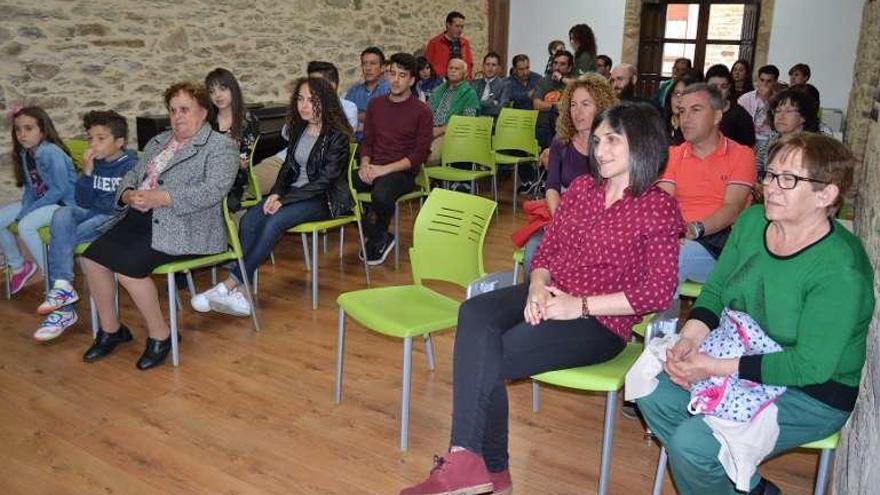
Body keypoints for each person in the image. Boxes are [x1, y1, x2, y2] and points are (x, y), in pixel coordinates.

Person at [399, 101, 685, 495]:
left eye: (613, 141)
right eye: (598, 140)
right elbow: (547, 250)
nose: (600, 150)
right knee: (475, 312)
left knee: (491, 355)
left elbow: (657, 291)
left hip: (600, 321)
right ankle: (473, 463)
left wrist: (576, 306)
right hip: (550, 291)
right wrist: (536, 284)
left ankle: (484, 468)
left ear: (645, 145)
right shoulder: (584, 189)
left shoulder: (658, 208)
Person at [637, 133, 874, 495]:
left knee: (692, 446)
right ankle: (746, 486)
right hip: (740, 353)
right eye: (771, 174)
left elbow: (810, 367)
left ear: (827, 194)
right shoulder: (751, 223)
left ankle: (720, 471)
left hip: (811, 392)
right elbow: (716, 291)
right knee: (651, 393)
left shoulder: (840, 269)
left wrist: (711, 368)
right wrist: (688, 341)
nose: (772, 188)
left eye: (789, 180)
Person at [79, 81, 238, 370]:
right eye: (173, 110)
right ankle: (112, 330)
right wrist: (128, 194)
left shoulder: (220, 146)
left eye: (185, 109)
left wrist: (162, 197)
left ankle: (161, 335)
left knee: (128, 268)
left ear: (203, 111)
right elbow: (132, 173)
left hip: (188, 225)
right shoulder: (157, 142)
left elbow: (213, 190)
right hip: (141, 217)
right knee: (92, 259)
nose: (177, 116)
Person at [191, 77, 352, 316]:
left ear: (325, 102)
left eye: (311, 100)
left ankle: (230, 284)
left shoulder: (337, 136)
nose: (304, 106)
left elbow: (324, 182)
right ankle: (243, 294)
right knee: (250, 219)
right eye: (300, 99)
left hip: (324, 199)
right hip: (293, 194)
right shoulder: (300, 128)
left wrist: (283, 200)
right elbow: (287, 168)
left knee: (275, 221)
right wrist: (276, 193)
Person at [34, 110, 137, 341]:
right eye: (90, 138)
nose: (94, 144)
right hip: (92, 212)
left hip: (116, 217)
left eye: (101, 139)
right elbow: (82, 201)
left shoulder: (131, 165)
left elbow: (126, 205)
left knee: (63, 242)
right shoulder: (97, 164)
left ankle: (63, 309)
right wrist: (88, 173)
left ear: (120, 142)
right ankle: (63, 287)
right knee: (63, 214)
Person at [658, 83, 756, 286]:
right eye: (682, 111)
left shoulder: (741, 155)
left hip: (718, 246)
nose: (686, 118)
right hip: (675, 238)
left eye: (696, 110)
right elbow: (662, 203)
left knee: (673, 257)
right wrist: (669, 232)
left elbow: (732, 209)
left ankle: (656, 317)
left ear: (717, 116)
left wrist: (694, 229)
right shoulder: (673, 154)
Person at [521, 74, 618, 273]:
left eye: (585, 104)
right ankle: (536, 301)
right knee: (533, 252)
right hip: (563, 214)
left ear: (601, 106)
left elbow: (619, 193)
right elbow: (552, 186)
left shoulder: (616, 144)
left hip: (603, 221)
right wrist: (559, 220)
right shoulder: (561, 141)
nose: (577, 112)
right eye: (573, 105)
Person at [355, 52, 432, 265]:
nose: (395, 80)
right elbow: (368, 141)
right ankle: (379, 234)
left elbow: (418, 155)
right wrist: (365, 164)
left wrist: (383, 170)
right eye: (392, 74)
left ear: (412, 80)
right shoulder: (376, 105)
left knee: (380, 193)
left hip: (402, 172)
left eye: (402, 75)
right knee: (338, 186)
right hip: (373, 166)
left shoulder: (422, 111)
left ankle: (378, 233)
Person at [1, 106, 77, 294]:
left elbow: (60, 190)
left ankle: (57, 280)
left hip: (63, 205)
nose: (22, 134)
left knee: (25, 225)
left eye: (28, 128)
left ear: (42, 130)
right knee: (1, 219)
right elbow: (30, 189)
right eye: (18, 129)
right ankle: (19, 267)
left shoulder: (52, 152)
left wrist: (27, 212)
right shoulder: (26, 153)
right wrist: (25, 208)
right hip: (42, 201)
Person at [205, 67, 260, 213]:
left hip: (234, 178)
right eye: (212, 91)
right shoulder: (207, 122)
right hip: (206, 176)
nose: (217, 95)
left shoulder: (248, 120)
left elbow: (243, 162)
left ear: (233, 89)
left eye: (222, 88)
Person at [426, 58, 480, 165]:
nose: (453, 71)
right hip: (429, 131)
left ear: (464, 73)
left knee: (429, 157)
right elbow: (426, 112)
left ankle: (434, 180)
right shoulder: (438, 90)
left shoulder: (469, 94)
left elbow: (466, 123)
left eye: (457, 69)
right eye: (450, 68)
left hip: (450, 134)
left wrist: (440, 130)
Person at [738, 64, 780, 171]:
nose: (764, 84)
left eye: (769, 81)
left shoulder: (779, 101)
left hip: (769, 139)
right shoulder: (745, 98)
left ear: (775, 82)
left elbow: (776, 126)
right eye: (762, 80)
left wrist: (767, 101)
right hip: (748, 137)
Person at [705, 64, 756, 147]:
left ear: (729, 88)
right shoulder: (696, 111)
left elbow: (748, 149)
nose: (718, 91)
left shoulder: (741, 116)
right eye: (713, 86)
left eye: (723, 86)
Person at [345, 46, 390, 140]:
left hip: (381, 144)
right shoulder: (353, 91)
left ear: (382, 68)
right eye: (364, 64)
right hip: (353, 143)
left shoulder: (389, 90)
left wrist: (357, 118)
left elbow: (387, 119)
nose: (368, 68)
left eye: (373, 63)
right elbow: (344, 118)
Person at [533, 50, 573, 149]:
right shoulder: (544, 81)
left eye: (562, 64)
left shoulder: (572, 82)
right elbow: (537, 104)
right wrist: (556, 106)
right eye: (555, 63)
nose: (557, 67)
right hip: (544, 127)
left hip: (565, 128)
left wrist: (561, 79)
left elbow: (581, 87)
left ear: (569, 68)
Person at [766, 86, 821, 153]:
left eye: (788, 111)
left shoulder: (811, 147)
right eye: (778, 111)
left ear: (803, 117)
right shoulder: (772, 139)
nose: (781, 116)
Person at [425, 11, 473, 79]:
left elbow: (469, 64)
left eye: (462, 27)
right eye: (457, 26)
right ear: (448, 25)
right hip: (440, 83)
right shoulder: (434, 43)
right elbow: (427, 65)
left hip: (461, 83)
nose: (460, 30)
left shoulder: (465, 43)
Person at [663, 69, 704, 145]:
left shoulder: (698, 130)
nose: (679, 100)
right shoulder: (661, 122)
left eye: (685, 94)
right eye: (677, 94)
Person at [470, 52, 510, 119]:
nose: (490, 68)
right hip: (473, 120)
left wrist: (478, 105)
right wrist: (492, 103)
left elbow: (500, 109)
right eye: (487, 64)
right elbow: (469, 105)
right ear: (483, 66)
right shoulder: (474, 84)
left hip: (492, 121)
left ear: (499, 68)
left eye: (493, 65)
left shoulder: (504, 85)